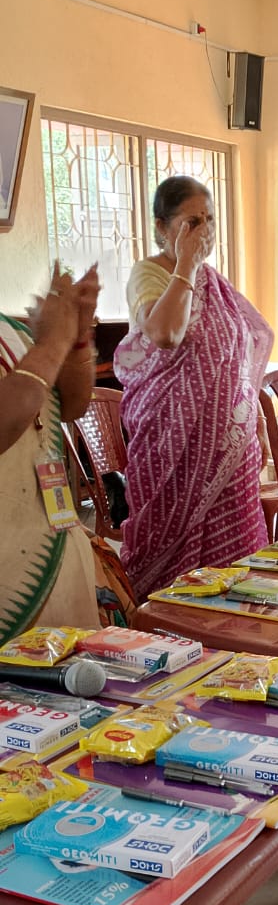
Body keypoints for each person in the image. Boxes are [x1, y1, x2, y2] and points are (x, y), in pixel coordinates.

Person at [114, 176, 274, 601]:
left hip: (229, 455)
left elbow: (237, 358)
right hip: (171, 451)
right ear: (162, 227)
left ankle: (232, 634)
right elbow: (166, 333)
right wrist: (184, 263)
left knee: (236, 574)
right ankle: (166, 628)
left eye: (210, 220)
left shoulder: (213, 283)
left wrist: (255, 420)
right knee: (173, 569)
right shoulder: (150, 274)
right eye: (192, 222)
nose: (205, 231)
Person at [0, 263, 102, 640]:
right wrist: (53, 341)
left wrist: (77, 337)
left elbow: (71, 406)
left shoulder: (8, 331)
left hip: (52, 554)